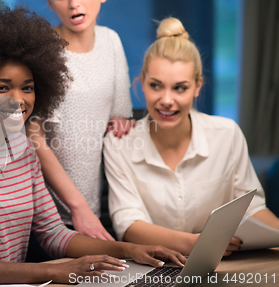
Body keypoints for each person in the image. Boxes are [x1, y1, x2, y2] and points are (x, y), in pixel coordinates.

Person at [0, 0, 185, 285]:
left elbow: (54, 233)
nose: (19, 100)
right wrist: (53, 272)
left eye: (27, 88)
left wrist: (130, 250)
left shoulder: (21, 147)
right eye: (2, 87)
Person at [103, 17, 279, 256]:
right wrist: (193, 243)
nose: (166, 100)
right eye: (156, 86)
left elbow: (253, 208)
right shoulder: (119, 144)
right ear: (142, 83)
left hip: (224, 266)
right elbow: (129, 224)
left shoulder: (227, 135)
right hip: (153, 266)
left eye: (179, 88)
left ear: (197, 86)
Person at [27, 0, 135, 240]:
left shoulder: (111, 41)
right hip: (45, 213)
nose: (73, 3)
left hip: (97, 211)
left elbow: (121, 118)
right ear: (50, 2)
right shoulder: (43, 51)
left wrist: (121, 122)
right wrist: (77, 206)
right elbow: (32, 138)